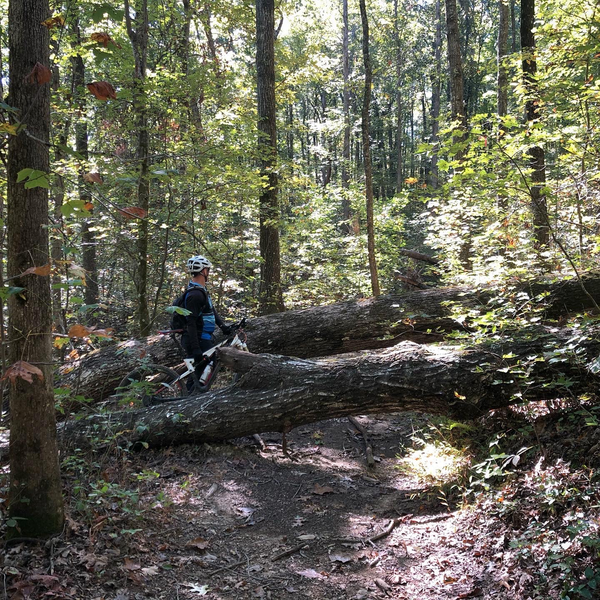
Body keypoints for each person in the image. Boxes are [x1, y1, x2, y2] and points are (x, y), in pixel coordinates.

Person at [181, 255, 231, 388]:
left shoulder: (200, 290)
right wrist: (196, 348)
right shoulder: (195, 295)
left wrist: (223, 327)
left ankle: (189, 397)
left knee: (199, 372)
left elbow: (210, 309)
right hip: (198, 338)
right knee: (207, 367)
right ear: (203, 271)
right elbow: (190, 322)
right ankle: (190, 399)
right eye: (207, 269)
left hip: (203, 337)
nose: (208, 272)